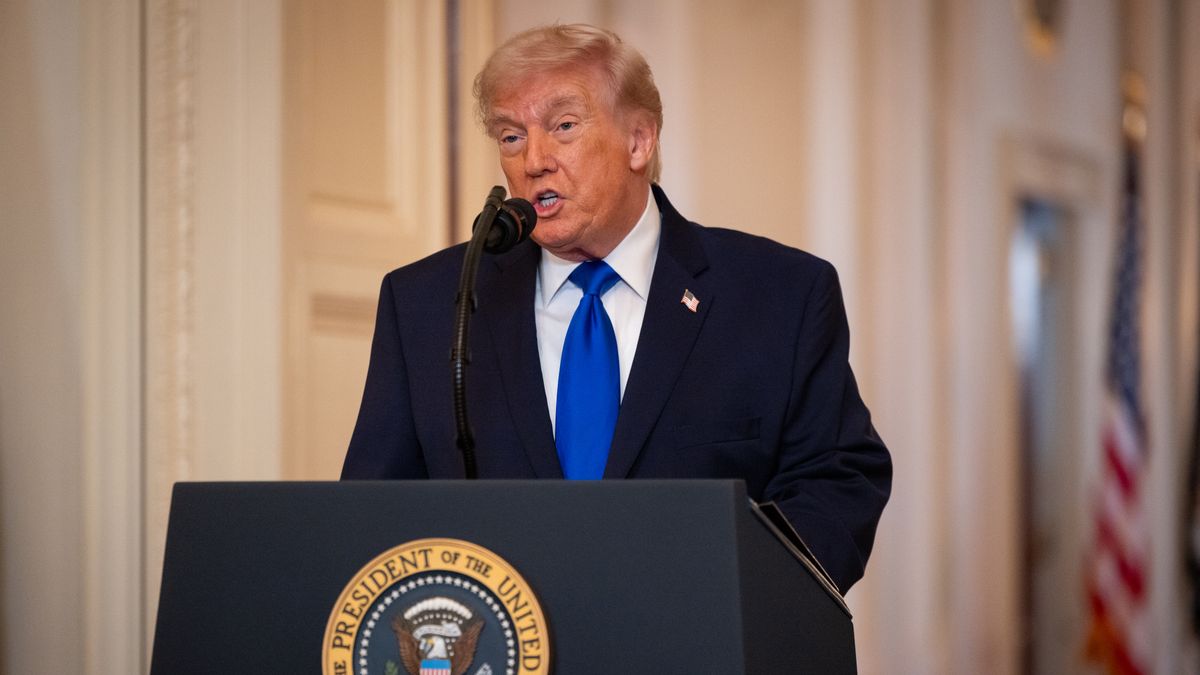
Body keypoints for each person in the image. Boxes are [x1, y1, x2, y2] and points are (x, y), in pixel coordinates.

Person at [341, 23, 891, 593]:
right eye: (510, 136)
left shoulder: (779, 295)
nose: (533, 161)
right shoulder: (430, 304)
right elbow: (374, 515)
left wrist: (728, 607)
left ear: (639, 140)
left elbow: (837, 482)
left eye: (564, 127)